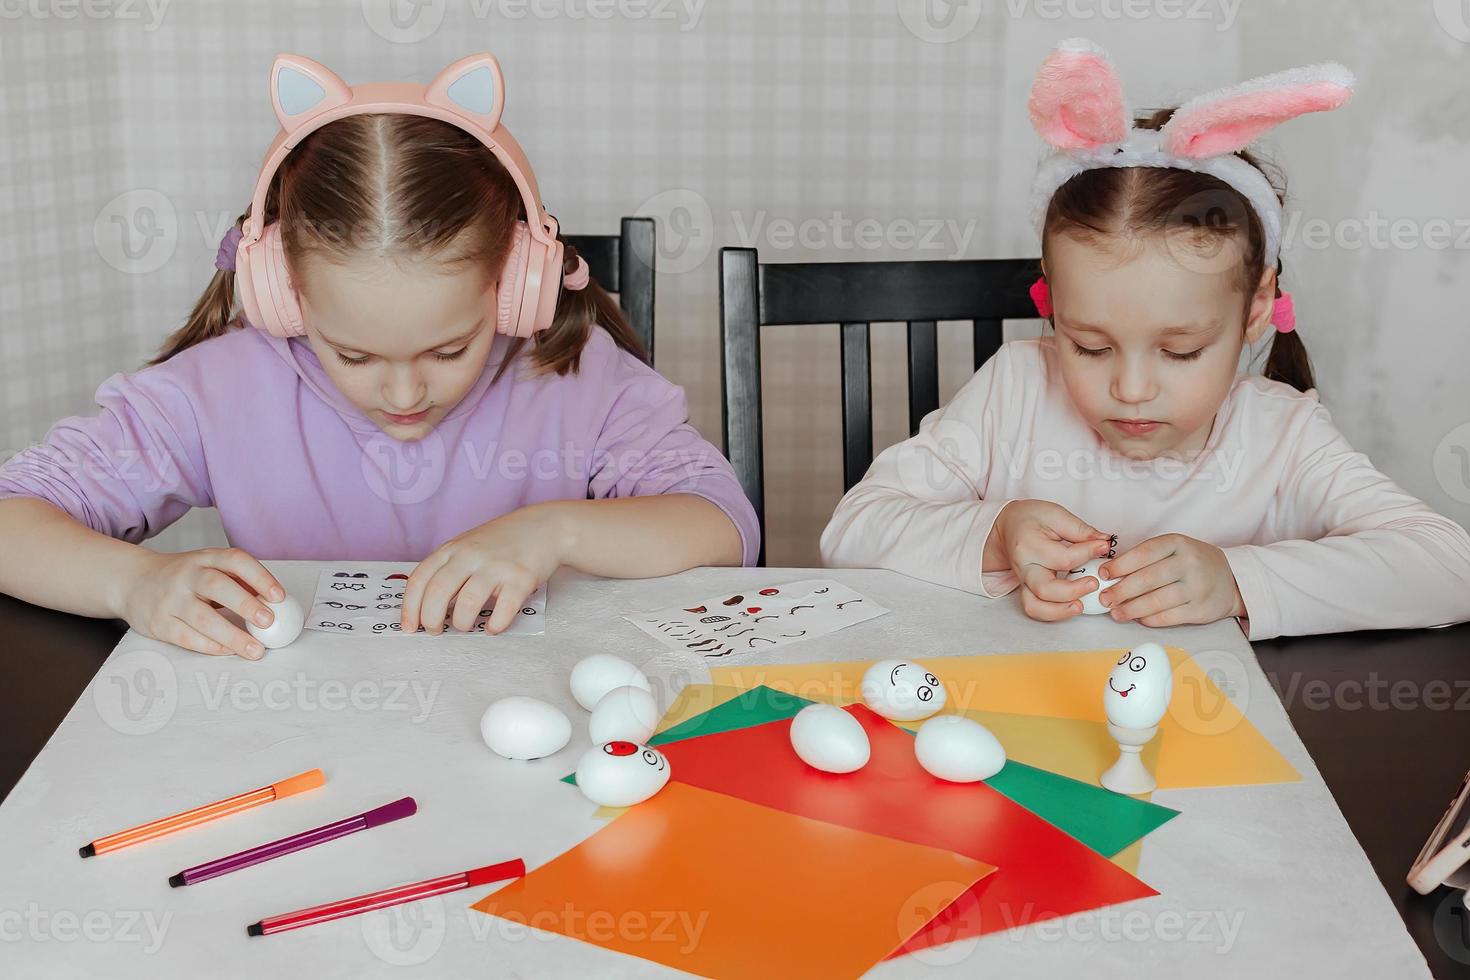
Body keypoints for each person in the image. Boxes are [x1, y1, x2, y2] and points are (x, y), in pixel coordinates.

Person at [0, 53, 758, 659]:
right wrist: (133, 583)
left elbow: (723, 526)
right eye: (354, 354)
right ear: (284, 297)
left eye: (450, 348)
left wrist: (552, 531)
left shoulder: (571, 374)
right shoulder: (222, 389)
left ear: (515, 288)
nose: (403, 392)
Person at [821, 39, 1470, 640]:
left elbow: (1448, 567)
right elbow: (852, 530)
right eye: (1091, 347)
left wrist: (1237, 580)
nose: (1131, 390)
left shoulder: (1282, 437)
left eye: (1181, 351)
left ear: (1257, 307)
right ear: (1052, 300)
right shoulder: (1013, 390)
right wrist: (992, 535)